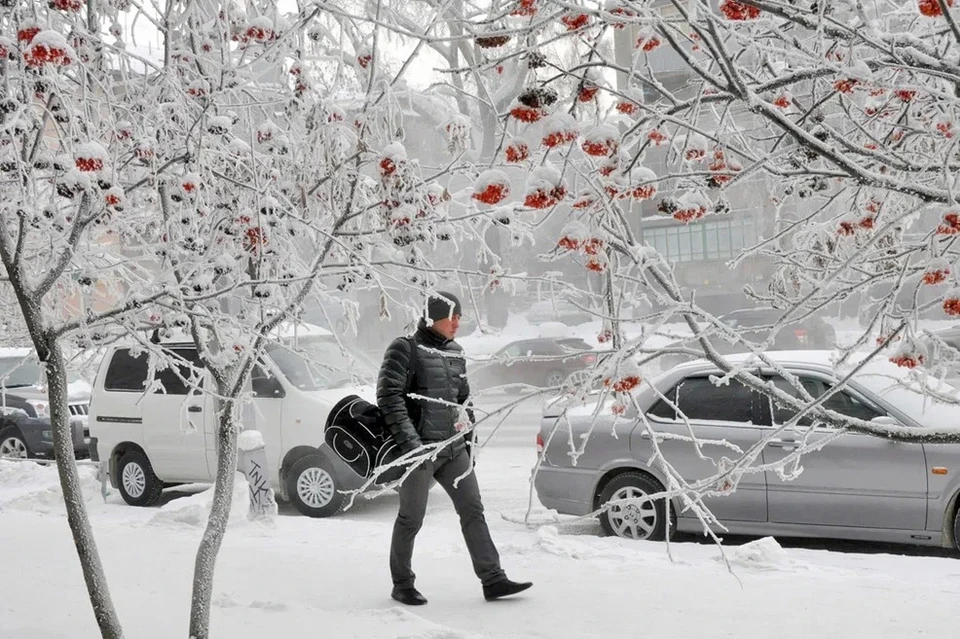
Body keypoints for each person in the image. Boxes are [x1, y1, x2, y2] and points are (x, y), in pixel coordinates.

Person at [377, 291, 532, 605]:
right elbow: (389, 398)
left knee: (473, 510)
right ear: (434, 316)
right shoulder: (404, 348)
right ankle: (402, 584)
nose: (458, 323)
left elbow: (463, 400)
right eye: (453, 316)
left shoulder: (456, 351)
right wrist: (413, 446)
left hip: (452, 449)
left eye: (460, 316)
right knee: (411, 518)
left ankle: (493, 579)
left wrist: (470, 440)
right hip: (419, 452)